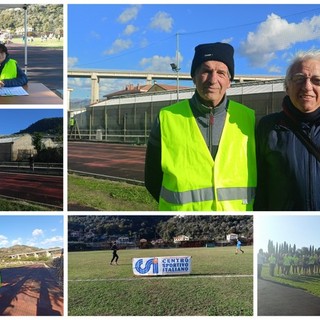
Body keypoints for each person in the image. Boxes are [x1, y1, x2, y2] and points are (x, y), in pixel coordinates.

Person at [145, 42, 257, 211]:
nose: (213, 80)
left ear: (229, 80)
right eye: (206, 71)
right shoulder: (167, 118)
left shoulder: (249, 118)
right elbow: (152, 178)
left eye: (221, 72)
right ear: (194, 77)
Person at [254, 51, 320, 210]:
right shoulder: (269, 127)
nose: (307, 87)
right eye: (299, 79)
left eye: (317, 80)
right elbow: (260, 188)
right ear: (286, 87)